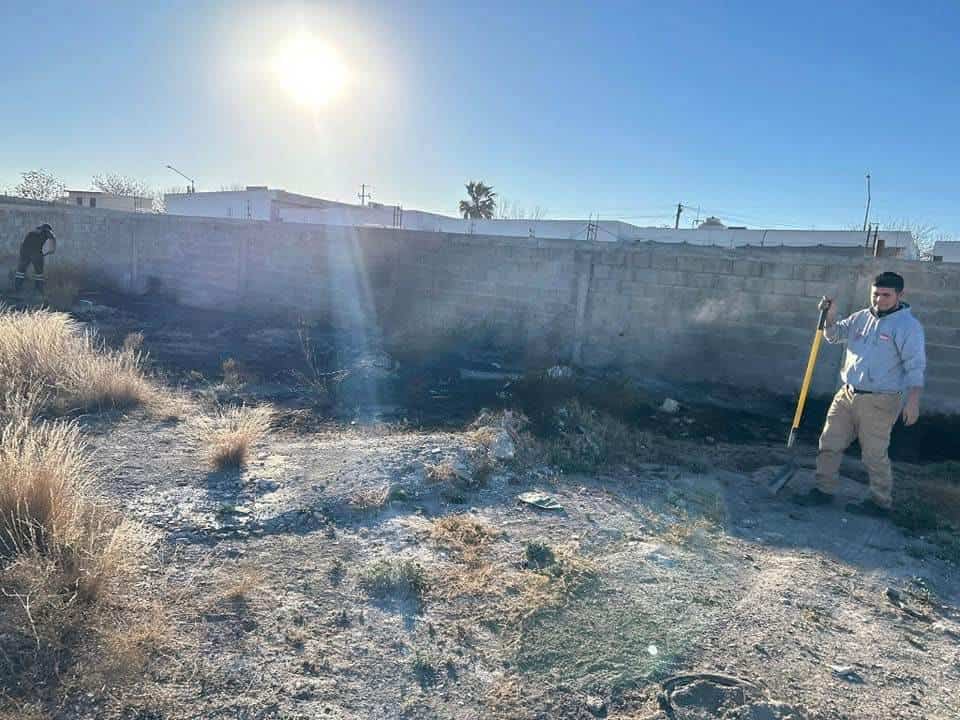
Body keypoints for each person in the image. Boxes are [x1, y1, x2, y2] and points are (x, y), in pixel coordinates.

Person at [794, 271, 925, 517]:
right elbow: (833, 335)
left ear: (900, 295)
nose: (879, 300)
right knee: (829, 443)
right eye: (875, 294)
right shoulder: (860, 318)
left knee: (874, 454)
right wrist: (830, 315)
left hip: (881, 400)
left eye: (886, 295)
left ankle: (880, 502)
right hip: (846, 395)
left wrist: (913, 401)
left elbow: (915, 366)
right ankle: (824, 490)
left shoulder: (908, 327)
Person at [14, 223, 56, 294]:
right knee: (39, 272)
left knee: (20, 271)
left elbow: (23, 243)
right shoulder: (46, 231)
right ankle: (38, 289)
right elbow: (53, 237)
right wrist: (52, 250)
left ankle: (17, 288)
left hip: (25, 252)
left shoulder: (32, 232)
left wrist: (22, 254)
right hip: (36, 252)